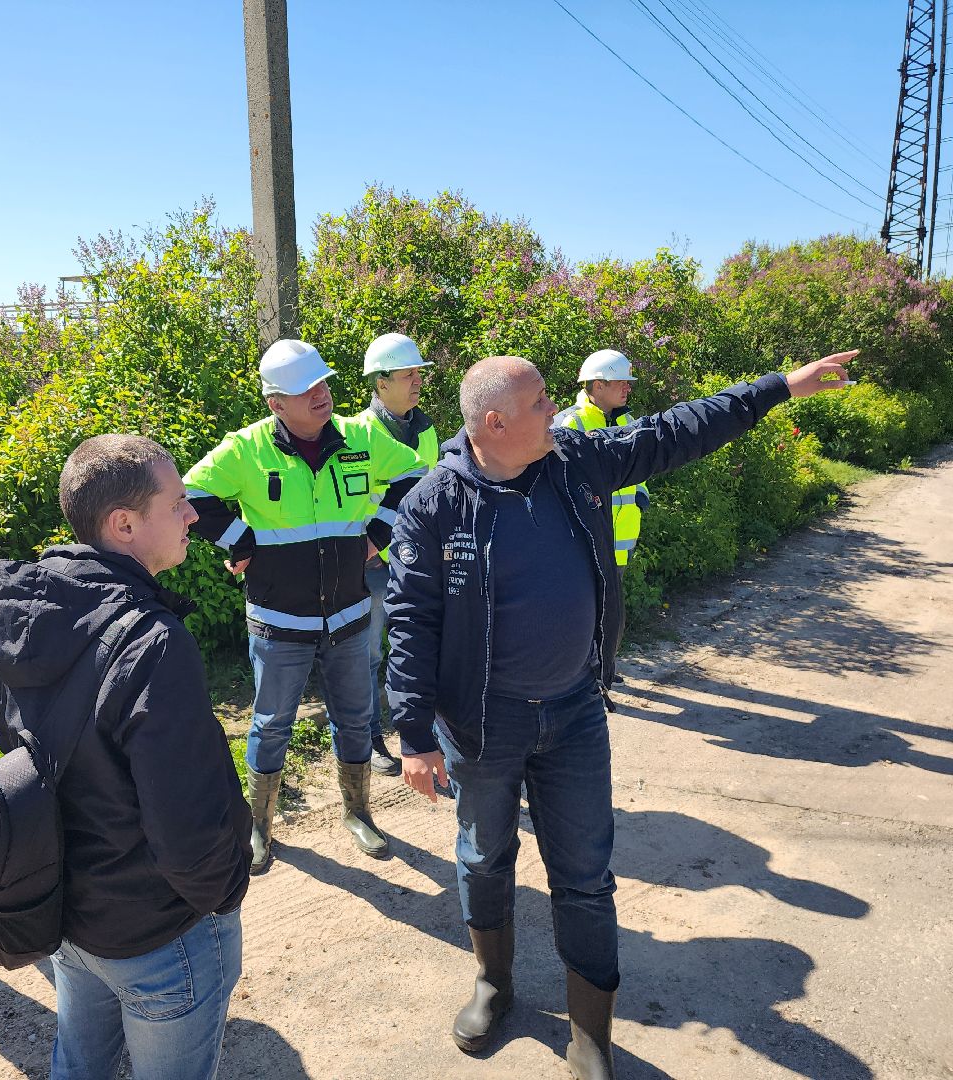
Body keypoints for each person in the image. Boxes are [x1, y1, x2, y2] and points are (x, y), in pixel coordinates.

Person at [385, 349, 857, 1078]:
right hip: (484, 723)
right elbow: (411, 618)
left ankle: (590, 1030)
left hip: (573, 711)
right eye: (541, 401)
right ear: (494, 421)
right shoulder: (435, 503)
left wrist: (779, 389)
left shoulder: (575, 460)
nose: (556, 410)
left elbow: (677, 430)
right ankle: (493, 982)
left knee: (585, 874)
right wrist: (413, 732)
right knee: (484, 858)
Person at [0, 434, 251, 1080]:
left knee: (80, 1064)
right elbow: (189, 830)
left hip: (67, 915)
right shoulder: (154, 643)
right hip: (158, 937)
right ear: (124, 524)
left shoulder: (19, 613)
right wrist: (223, 898)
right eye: (179, 502)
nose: (194, 515)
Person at [184, 339, 427, 872]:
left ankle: (358, 813)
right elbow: (188, 496)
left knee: (357, 717)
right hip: (278, 620)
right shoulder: (245, 450)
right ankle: (259, 827)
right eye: (305, 390)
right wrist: (239, 541)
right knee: (271, 722)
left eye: (322, 383)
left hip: (349, 612)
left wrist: (379, 532)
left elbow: (415, 476)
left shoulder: (362, 436)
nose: (321, 395)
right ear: (276, 403)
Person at [358, 332, 440, 775]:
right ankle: (371, 736)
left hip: (422, 561)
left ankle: (420, 730)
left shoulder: (426, 427)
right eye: (408, 374)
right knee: (369, 654)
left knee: (421, 646)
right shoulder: (359, 433)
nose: (417, 381)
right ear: (381, 381)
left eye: (418, 373)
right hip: (375, 563)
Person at [554, 348, 650, 671]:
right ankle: (584, 674)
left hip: (620, 543)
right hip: (587, 544)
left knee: (612, 616)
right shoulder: (574, 422)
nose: (627, 387)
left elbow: (641, 467)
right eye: (619, 382)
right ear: (596, 386)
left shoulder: (628, 421)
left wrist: (642, 495)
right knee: (585, 616)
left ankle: (605, 667)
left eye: (628, 382)